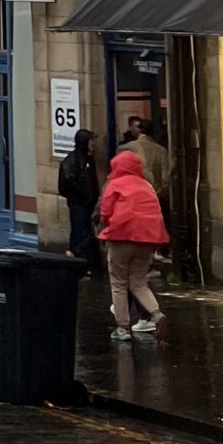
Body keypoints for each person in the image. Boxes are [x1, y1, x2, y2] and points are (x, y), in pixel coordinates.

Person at [97, 145, 169, 340]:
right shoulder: (146, 186)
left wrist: (107, 227)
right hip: (147, 239)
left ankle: (122, 328)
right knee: (138, 282)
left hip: (121, 237)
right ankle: (156, 314)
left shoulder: (116, 184)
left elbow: (105, 211)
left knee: (119, 283)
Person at [56, 127, 101, 271]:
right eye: (91, 141)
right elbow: (66, 185)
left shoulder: (88, 160)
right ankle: (78, 260)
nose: (93, 144)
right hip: (79, 203)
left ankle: (90, 263)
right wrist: (81, 194)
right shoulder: (72, 161)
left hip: (88, 203)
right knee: (80, 232)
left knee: (88, 233)